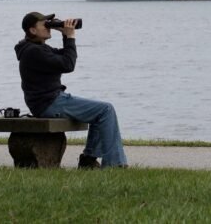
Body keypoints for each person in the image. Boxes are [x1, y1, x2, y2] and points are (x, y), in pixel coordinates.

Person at [15, 11, 127, 169]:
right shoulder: (34, 51)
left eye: (50, 24)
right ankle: (115, 164)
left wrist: (65, 34)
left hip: (50, 101)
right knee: (105, 110)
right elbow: (68, 64)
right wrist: (70, 37)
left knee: (99, 112)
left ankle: (88, 161)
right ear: (33, 30)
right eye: (45, 24)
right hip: (50, 103)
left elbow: (65, 55)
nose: (49, 27)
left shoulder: (37, 48)